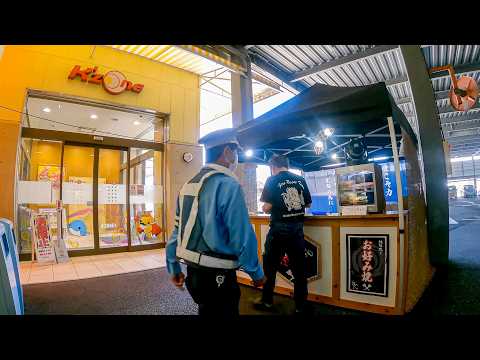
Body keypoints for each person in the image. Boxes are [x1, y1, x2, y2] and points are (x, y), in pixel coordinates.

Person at [166, 128, 266, 317]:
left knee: (206, 311)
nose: (236, 157)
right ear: (227, 152)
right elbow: (242, 236)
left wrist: (173, 266)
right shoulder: (228, 185)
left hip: (194, 273)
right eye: (235, 151)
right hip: (219, 273)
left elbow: (177, 230)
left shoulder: (188, 185)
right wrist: (256, 273)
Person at [254, 154, 312, 314]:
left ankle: (266, 301)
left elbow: (266, 207)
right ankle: (300, 306)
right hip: (297, 229)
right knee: (300, 270)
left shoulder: (272, 180)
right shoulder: (300, 179)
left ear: (273, 167)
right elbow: (307, 203)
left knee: (270, 268)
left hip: (278, 230)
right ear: (287, 165)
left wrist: (271, 206)